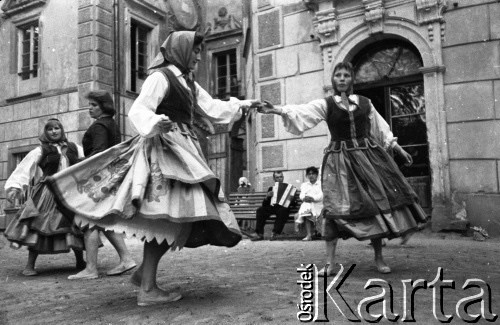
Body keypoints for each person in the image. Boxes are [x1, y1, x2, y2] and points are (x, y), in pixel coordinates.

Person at [47, 31, 257, 306]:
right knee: (167, 218)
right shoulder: (161, 77)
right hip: (164, 152)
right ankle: (147, 288)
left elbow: (213, 108)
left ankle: (145, 277)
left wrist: (245, 104)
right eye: (194, 50)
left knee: (172, 218)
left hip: (182, 151)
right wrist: (157, 122)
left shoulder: (188, 82)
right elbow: (139, 110)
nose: (198, 55)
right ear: (181, 50)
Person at [255, 61, 427, 274]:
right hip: (339, 163)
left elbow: (380, 128)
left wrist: (399, 149)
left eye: (347, 75)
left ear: (352, 79)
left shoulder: (365, 103)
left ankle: (379, 258)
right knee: (333, 208)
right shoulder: (326, 104)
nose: (343, 79)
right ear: (333, 80)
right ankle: (330, 264)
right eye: (339, 75)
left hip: (367, 160)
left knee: (374, 205)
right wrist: (276, 110)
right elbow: (303, 111)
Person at [67, 90, 137, 280]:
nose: (89, 108)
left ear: (104, 107)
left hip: (97, 180)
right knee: (103, 221)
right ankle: (126, 259)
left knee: (89, 221)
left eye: (93, 105)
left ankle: (91, 269)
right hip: (109, 177)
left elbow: (99, 154)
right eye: (90, 105)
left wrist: (77, 164)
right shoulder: (112, 125)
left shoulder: (98, 126)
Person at [4, 118, 86, 276]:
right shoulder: (40, 150)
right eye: (50, 129)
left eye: (57, 128)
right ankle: (29, 265)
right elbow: (24, 168)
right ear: (46, 132)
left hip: (71, 191)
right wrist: (14, 187)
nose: (54, 131)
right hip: (47, 193)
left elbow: (87, 163)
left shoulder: (75, 148)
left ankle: (80, 261)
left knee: (75, 225)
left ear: (62, 130)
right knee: (39, 224)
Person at [251, 171, 295, 241]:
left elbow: (294, 204)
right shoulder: (271, 188)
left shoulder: (290, 188)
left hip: (282, 208)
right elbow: (264, 205)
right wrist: (267, 197)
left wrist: (291, 199)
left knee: (283, 210)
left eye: (281, 177)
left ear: (283, 178)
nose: (279, 179)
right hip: (272, 207)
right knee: (260, 210)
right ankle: (259, 234)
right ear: (274, 179)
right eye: (277, 177)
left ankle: (275, 233)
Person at [295, 166, 323, 241]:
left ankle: (318, 232)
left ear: (317, 175)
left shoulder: (321, 184)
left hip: (318, 204)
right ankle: (309, 235)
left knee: (310, 210)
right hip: (308, 204)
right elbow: (302, 195)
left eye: (313, 174)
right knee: (307, 212)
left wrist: (312, 198)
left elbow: (321, 195)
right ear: (307, 176)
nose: (311, 175)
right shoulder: (305, 185)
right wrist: (304, 198)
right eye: (309, 174)